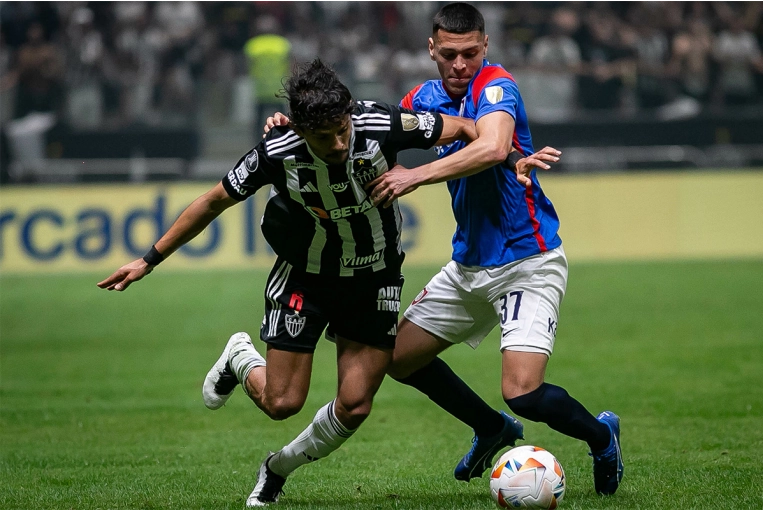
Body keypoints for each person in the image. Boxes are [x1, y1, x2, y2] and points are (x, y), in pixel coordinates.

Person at [265, 1, 623, 497]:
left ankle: (602, 435)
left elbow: (493, 145)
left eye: (470, 53)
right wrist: (295, 124)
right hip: (468, 266)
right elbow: (358, 126)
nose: (461, 66)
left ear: (485, 48)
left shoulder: (497, 85)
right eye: (450, 54)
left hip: (528, 261)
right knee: (397, 358)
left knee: (522, 392)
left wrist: (420, 173)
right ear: (431, 49)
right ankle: (490, 428)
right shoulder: (422, 98)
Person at [97, 58, 486, 507]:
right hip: (307, 276)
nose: (339, 143)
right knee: (282, 403)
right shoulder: (276, 151)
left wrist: (507, 159)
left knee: (356, 404)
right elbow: (211, 202)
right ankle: (241, 356)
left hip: (375, 277)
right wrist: (149, 260)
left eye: (343, 129)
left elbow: (466, 128)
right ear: (300, 130)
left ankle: (277, 468)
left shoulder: (382, 122)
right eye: (324, 137)